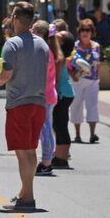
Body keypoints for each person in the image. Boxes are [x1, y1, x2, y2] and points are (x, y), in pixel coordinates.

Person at [0, 2, 49, 212]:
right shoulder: (43, 44)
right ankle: (25, 192)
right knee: (30, 151)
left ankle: (28, 197)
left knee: (23, 153)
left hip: (19, 103)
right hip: (39, 103)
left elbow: (6, 75)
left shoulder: (11, 44)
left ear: (15, 18)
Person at [31, 21, 61, 176]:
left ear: (41, 34)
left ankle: (47, 162)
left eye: (34, 30)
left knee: (46, 130)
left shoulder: (44, 51)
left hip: (45, 96)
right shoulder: (45, 50)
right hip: (45, 95)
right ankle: (46, 160)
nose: (31, 32)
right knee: (44, 129)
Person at [69, 18, 102, 144]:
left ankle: (92, 134)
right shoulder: (75, 46)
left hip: (92, 80)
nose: (85, 32)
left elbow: (98, 62)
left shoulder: (96, 46)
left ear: (91, 31)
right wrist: (72, 74)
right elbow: (69, 63)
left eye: (87, 30)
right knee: (76, 106)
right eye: (82, 29)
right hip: (77, 80)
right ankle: (77, 134)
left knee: (92, 105)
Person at [51, 29, 75, 169]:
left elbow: (57, 78)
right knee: (59, 124)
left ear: (63, 42)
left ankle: (61, 157)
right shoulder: (60, 55)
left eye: (60, 35)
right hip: (65, 93)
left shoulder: (60, 57)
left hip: (62, 93)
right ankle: (60, 156)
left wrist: (53, 91)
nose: (56, 34)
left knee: (59, 125)